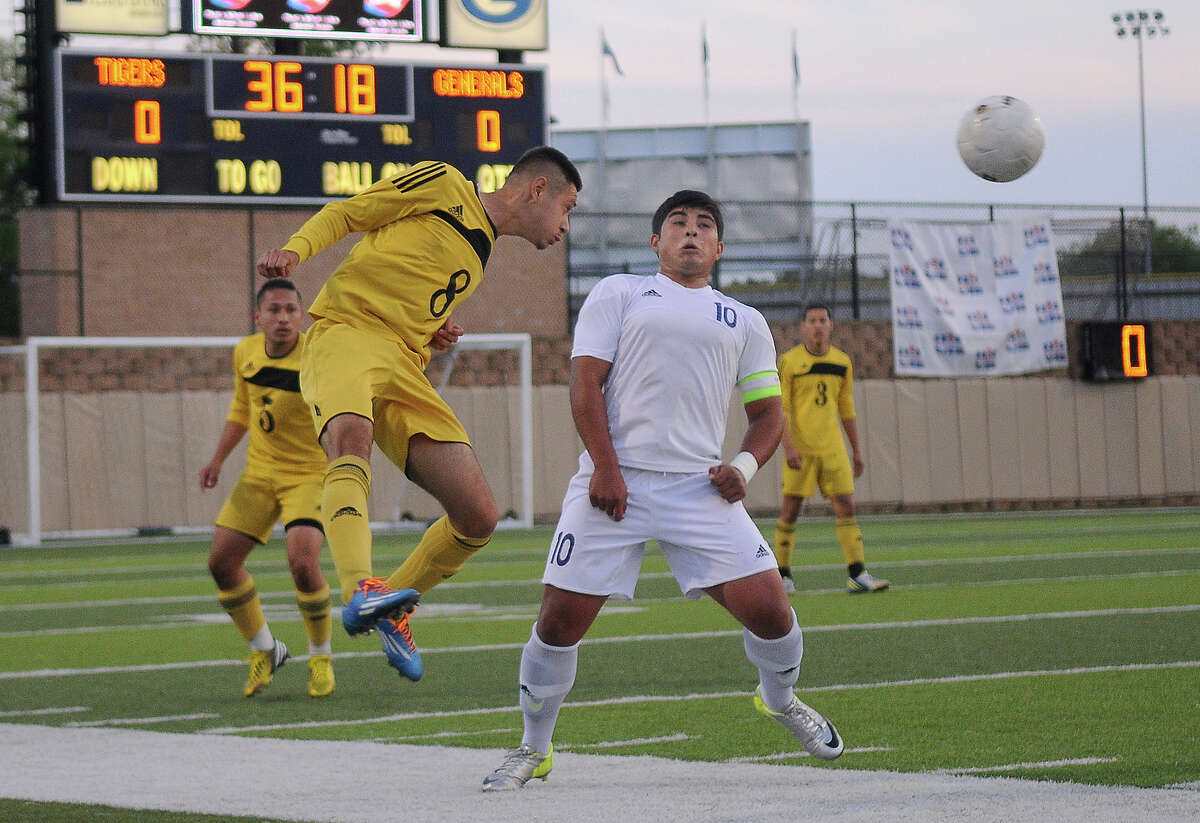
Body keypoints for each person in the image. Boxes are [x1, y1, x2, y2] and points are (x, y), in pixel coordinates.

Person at [481, 190, 843, 792]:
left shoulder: (745, 321)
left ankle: (780, 702)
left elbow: (768, 416)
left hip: (699, 489)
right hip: (613, 483)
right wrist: (605, 467)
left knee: (773, 612)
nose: (691, 232)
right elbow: (584, 384)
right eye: (678, 223)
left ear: (721, 248)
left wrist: (745, 468)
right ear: (656, 242)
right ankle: (532, 748)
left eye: (705, 225)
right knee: (558, 621)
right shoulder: (618, 293)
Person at [255, 147, 582, 682]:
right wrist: (295, 251)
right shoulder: (447, 184)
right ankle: (360, 585)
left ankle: (392, 603)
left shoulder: (480, 252)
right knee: (350, 439)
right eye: (567, 208)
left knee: (478, 516)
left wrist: (433, 330)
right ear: (537, 190)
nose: (564, 226)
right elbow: (351, 212)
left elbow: (408, 288)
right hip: (348, 332)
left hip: (404, 367)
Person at [200, 278, 335, 698]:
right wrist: (218, 459)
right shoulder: (246, 352)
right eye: (274, 310)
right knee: (221, 563)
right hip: (260, 473)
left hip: (308, 474)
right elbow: (243, 408)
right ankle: (265, 649)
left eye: (291, 310)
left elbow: (338, 409)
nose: (283, 318)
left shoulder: (317, 354)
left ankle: (320, 658)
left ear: (301, 314)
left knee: (302, 563)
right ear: (258, 317)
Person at [773, 304, 890, 594]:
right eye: (811, 320)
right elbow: (781, 410)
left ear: (831, 325)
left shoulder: (842, 361)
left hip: (832, 448)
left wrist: (857, 450)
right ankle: (782, 575)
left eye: (822, 320)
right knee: (790, 511)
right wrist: (788, 448)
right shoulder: (789, 362)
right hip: (800, 448)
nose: (817, 325)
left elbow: (846, 409)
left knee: (847, 508)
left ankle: (858, 573)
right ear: (803, 327)